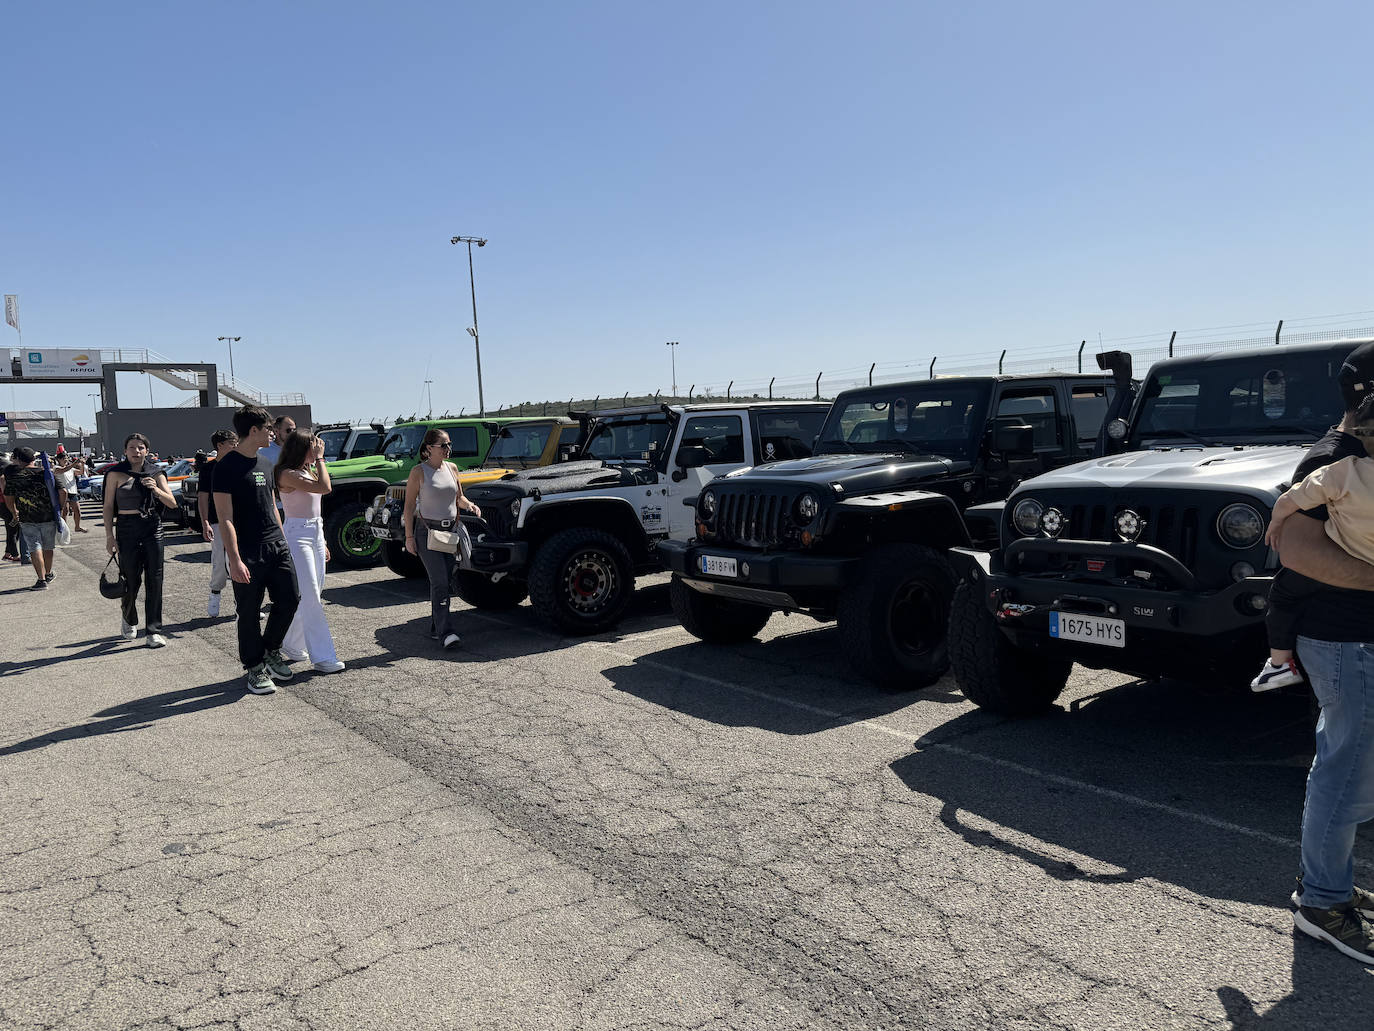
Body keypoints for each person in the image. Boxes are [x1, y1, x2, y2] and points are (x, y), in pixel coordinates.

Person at [1268, 341, 1374, 964]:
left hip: (1354, 639)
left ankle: (1327, 885)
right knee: (1345, 768)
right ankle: (1321, 905)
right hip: (1345, 641)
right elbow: (1299, 551)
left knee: (1352, 765)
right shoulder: (1334, 458)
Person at [213, 406, 300, 695]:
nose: (272, 433)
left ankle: (270, 650)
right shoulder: (225, 467)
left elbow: (272, 506)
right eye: (267, 428)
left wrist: (283, 539)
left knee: (290, 598)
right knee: (249, 612)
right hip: (248, 550)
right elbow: (224, 516)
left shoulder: (265, 463)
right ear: (253, 431)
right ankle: (254, 667)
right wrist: (234, 559)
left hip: (277, 545)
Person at [402, 427, 481, 650]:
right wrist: (409, 537)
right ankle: (446, 632)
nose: (448, 449)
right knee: (440, 582)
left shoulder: (452, 468)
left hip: (450, 533)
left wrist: (470, 505)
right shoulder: (419, 472)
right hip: (427, 533)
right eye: (443, 445)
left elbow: (459, 498)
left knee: (445, 580)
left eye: (449, 444)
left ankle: (437, 625)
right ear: (429, 449)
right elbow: (409, 507)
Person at [274, 430, 344, 673]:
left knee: (311, 592)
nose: (316, 451)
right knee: (312, 595)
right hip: (297, 536)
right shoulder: (287, 473)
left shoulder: (306, 470)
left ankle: (291, 644)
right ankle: (323, 657)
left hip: (315, 532)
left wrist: (322, 541)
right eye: (312, 447)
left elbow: (315, 508)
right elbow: (325, 488)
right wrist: (321, 459)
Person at [103, 433, 177, 646]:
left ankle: (153, 630)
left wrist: (155, 489)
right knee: (130, 579)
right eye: (132, 447)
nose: (136, 451)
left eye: (141, 447)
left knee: (155, 579)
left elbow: (172, 503)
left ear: (147, 450)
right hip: (126, 528)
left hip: (152, 527)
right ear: (125, 450)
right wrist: (109, 536)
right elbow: (108, 506)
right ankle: (128, 617)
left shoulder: (156, 472)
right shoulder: (115, 473)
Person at [198, 429, 238, 617]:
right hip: (217, 521)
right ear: (220, 445)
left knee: (238, 561)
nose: (235, 445)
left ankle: (242, 602)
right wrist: (204, 522)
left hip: (240, 521)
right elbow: (203, 497)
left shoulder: (241, 464)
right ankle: (215, 593)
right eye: (232, 442)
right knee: (220, 562)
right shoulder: (208, 469)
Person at [2, 448, 52, 585]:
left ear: (18, 460)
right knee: (48, 547)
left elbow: (8, 496)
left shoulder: (14, 476)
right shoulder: (45, 473)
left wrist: (13, 511)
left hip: (26, 517)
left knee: (34, 547)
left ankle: (41, 580)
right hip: (48, 516)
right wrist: (57, 508)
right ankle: (48, 573)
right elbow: (62, 491)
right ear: (33, 459)